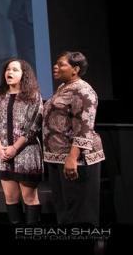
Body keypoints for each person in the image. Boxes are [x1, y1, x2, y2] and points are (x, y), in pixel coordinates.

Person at [43, 51, 105, 225]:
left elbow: (84, 126)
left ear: (75, 69)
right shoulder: (63, 87)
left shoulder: (83, 90)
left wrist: (73, 157)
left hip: (76, 159)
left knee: (80, 211)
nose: (56, 66)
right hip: (58, 157)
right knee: (64, 211)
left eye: (61, 64)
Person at [0, 58, 43, 224]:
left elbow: (34, 126)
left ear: (24, 74)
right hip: (4, 155)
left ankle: (30, 235)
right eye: (7, 69)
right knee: (10, 197)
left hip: (26, 154)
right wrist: (0, 148)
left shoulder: (33, 96)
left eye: (14, 69)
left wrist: (14, 148)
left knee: (29, 198)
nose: (9, 72)